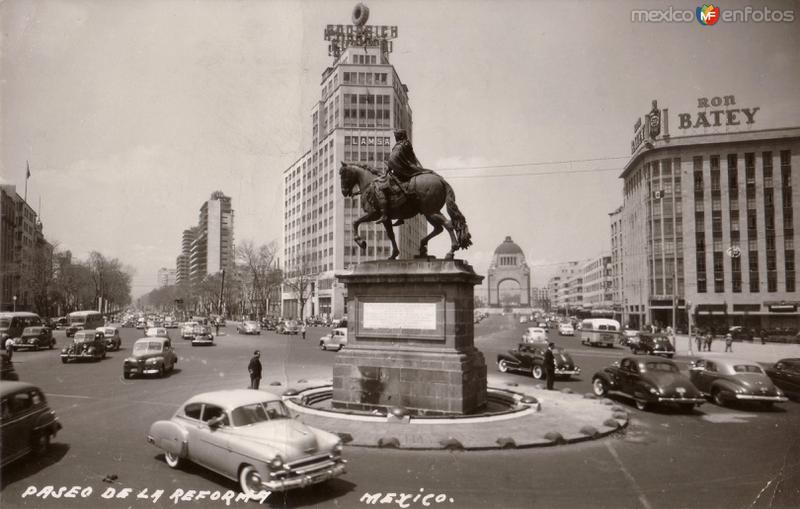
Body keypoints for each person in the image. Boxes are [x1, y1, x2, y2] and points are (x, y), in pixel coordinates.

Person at [374, 129, 432, 224]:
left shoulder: (400, 145)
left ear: (400, 136)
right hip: (406, 169)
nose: (396, 138)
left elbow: (394, 158)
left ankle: (384, 215)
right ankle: (400, 216)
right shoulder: (406, 144)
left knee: (382, 187)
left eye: (396, 136)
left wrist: (389, 166)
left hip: (402, 171)